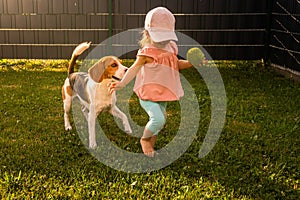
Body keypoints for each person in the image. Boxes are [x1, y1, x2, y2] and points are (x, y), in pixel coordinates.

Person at [109, 7, 200, 157]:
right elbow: (134, 68)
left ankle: (151, 145)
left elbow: (175, 64)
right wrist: (122, 83)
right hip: (147, 94)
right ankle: (144, 140)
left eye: (165, 37)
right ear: (147, 33)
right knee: (158, 119)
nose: (163, 41)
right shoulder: (147, 53)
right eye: (159, 37)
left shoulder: (171, 48)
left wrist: (190, 62)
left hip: (163, 92)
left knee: (159, 122)